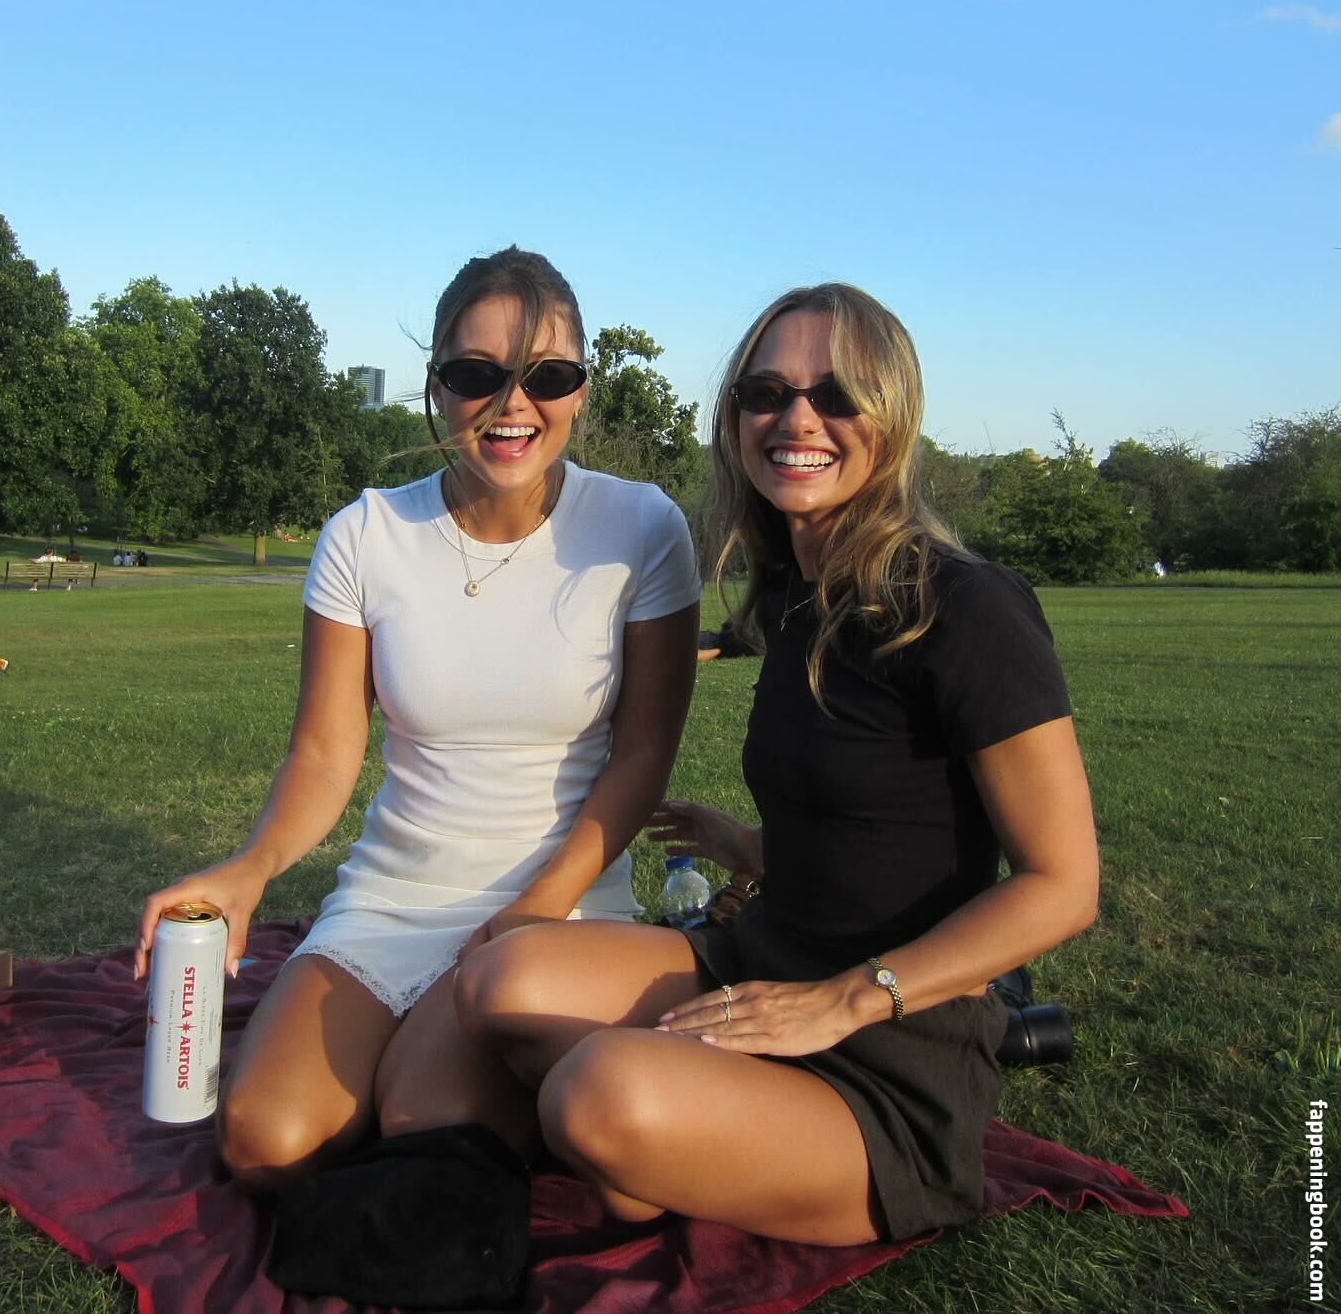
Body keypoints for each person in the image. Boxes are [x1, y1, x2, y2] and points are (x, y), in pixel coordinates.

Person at [454, 281, 1099, 1247]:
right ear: (736, 420)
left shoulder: (968, 606)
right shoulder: (798, 594)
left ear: (892, 415)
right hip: (759, 965)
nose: (797, 419)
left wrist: (842, 1000)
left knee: (592, 1097)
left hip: (888, 1044)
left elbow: (1064, 885)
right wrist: (747, 844)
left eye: (835, 395)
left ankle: (687, 1137)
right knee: (498, 978)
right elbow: (882, 826)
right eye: (766, 393)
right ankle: (689, 1137)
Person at [134, 246, 700, 1194]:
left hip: (559, 912)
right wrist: (250, 867)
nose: (512, 405)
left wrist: (534, 909)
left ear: (582, 387)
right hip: (393, 901)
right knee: (265, 1142)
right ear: (437, 385)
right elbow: (326, 752)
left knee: (426, 1125)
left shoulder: (642, 527)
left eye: (547, 376)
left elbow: (641, 758)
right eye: (478, 374)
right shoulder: (365, 535)